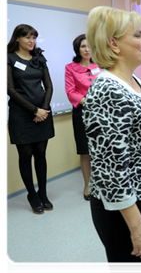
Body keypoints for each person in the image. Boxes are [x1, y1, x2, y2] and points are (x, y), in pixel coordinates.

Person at [84, 6, 141, 273]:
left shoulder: (136, 82)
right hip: (125, 208)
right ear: (113, 44)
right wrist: (136, 227)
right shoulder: (106, 91)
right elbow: (111, 169)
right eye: (138, 35)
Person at [5, 24, 55, 215]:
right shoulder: (8, 58)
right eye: (27, 37)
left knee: (41, 153)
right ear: (17, 38)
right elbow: (10, 89)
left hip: (42, 113)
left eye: (34, 38)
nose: (31, 41)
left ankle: (43, 193)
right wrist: (33, 110)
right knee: (25, 155)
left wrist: (43, 109)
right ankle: (32, 195)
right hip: (22, 115)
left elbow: (48, 86)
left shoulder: (39, 58)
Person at [65, 34, 101, 201]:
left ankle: (103, 184)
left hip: (102, 112)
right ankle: (87, 185)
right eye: (83, 47)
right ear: (77, 49)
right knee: (85, 151)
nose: (87, 50)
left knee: (102, 150)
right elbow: (70, 91)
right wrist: (88, 100)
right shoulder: (70, 67)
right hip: (82, 111)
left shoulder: (101, 65)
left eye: (89, 46)